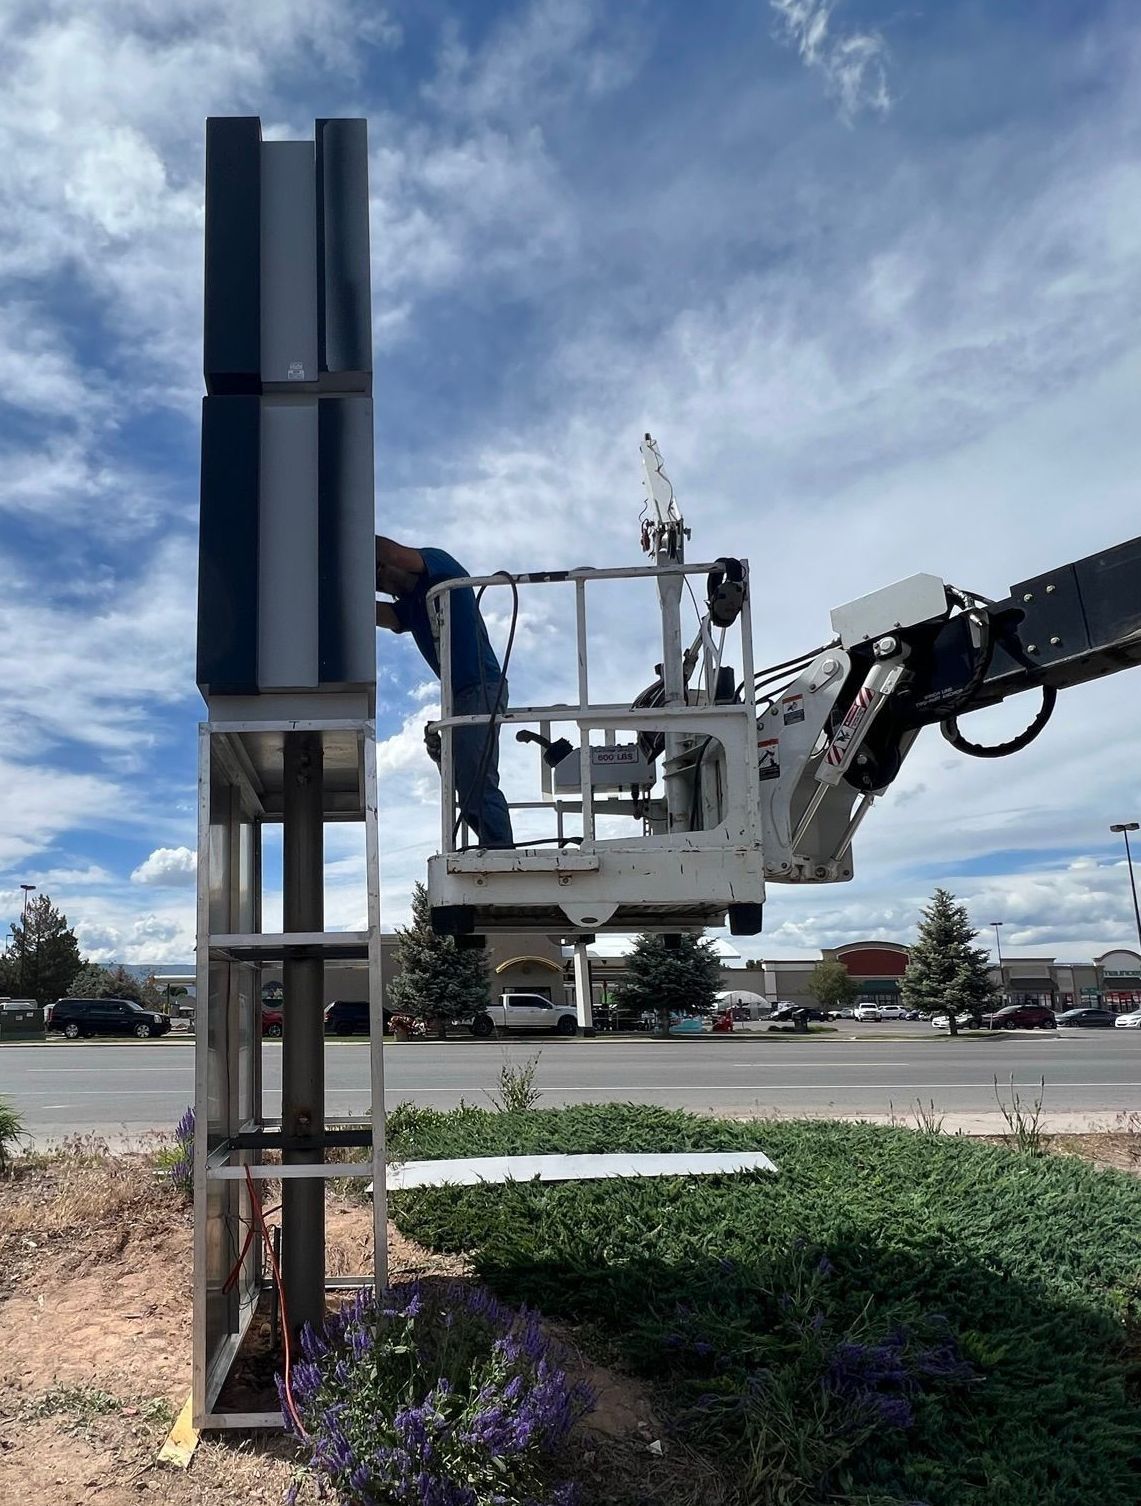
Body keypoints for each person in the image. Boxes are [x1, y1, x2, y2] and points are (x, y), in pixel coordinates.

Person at [375, 536, 514, 848]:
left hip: (481, 686)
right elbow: (372, 613)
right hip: (459, 696)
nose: (383, 584)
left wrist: (344, 540)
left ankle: (500, 852)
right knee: (464, 782)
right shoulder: (410, 608)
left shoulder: (440, 569)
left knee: (477, 779)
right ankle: (494, 848)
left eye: (380, 574)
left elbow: (389, 551)